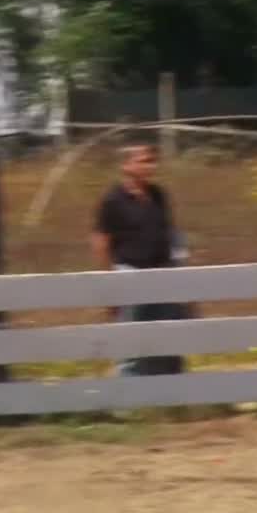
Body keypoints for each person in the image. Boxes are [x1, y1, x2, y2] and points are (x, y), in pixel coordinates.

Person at [91, 143, 191, 376]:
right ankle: (131, 398)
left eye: (152, 160)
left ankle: (173, 394)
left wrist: (179, 267)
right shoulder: (113, 200)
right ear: (126, 165)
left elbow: (170, 232)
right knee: (131, 340)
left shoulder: (158, 195)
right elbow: (101, 241)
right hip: (130, 274)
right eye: (144, 161)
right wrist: (109, 283)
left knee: (169, 335)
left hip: (163, 274)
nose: (150, 165)